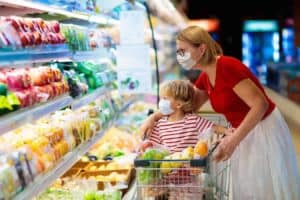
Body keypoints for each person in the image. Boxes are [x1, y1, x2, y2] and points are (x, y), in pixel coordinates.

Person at [141, 26, 300, 199]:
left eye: (183, 51)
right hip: (242, 131)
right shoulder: (205, 77)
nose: (180, 56)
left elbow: (260, 104)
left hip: (262, 128)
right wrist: (155, 117)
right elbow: (186, 106)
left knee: (263, 186)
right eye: (178, 51)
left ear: (201, 49)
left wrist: (232, 140)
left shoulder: (227, 66)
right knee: (247, 186)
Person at [140, 79, 227, 154]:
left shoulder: (193, 120)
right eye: (161, 98)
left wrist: (228, 132)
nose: (161, 102)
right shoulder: (160, 124)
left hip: (191, 171)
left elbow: (214, 128)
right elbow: (150, 144)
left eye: (165, 98)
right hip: (167, 171)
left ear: (178, 104)